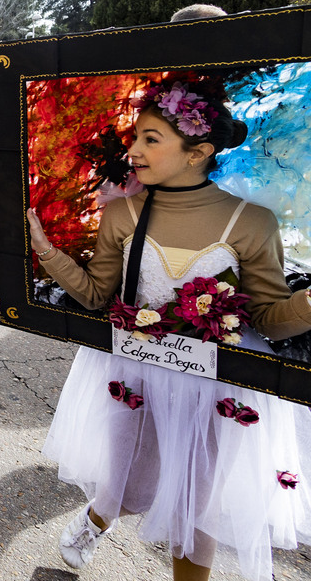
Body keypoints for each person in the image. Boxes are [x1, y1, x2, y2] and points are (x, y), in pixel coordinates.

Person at [27, 80, 311, 581]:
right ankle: (99, 514)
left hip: (214, 384)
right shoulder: (122, 212)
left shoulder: (252, 222)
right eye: (136, 137)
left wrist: (307, 306)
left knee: (192, 498)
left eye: (150, 139)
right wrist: (45, 251)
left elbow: (267, 318)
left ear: (198, 152)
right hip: (134, 370)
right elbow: (96, 294)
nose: (132, 149)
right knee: (126, 475)